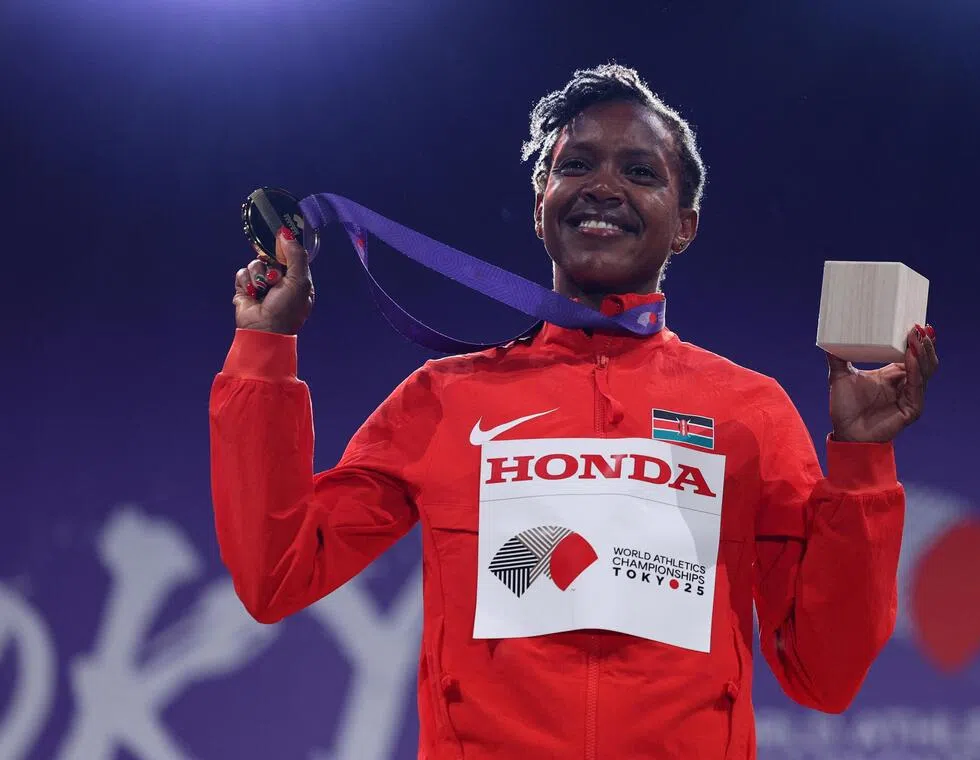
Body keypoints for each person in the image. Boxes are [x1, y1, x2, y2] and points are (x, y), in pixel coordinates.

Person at [210, 63, 939, 759]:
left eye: (641, 172)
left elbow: (825, 673)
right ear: (540, 204)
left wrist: (863, 463)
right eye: (577, 165)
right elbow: (277, 574)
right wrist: (265, 348)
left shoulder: (750, 413)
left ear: (684, 226)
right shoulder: (443, 401)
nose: (604, 188)